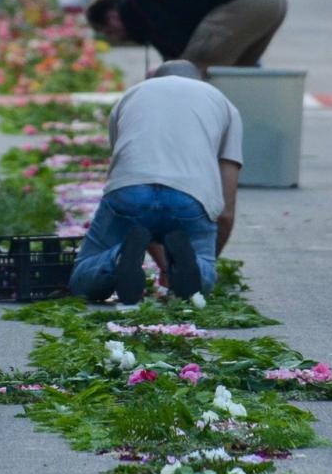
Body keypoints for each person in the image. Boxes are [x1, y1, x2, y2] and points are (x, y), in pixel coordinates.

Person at [68, 61, 242, 304]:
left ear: (151, 78)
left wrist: (160, 265)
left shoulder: (130, 96)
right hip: (191, 198)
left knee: (83, 278)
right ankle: (194, 270)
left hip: (130, 191)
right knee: (200, 273)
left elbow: (128, 170)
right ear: (202, 80)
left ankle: (115, 260)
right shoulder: (223, 104)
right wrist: (190, 265)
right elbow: (226, 212)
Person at [84, 0, 288, 73]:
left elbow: (173, 45)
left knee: (192, 72)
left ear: (111, 15)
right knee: (238, 75)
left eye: (109, 31)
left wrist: (163, 74)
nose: (116, 37)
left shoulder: (133, 2)